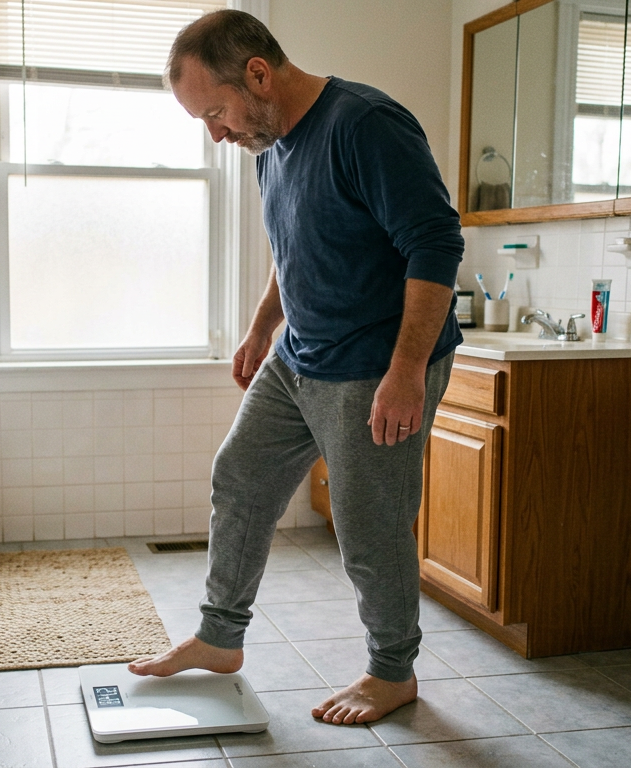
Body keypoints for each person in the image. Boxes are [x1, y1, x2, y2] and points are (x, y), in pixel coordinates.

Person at [128, 9, 464, 725]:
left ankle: (392, 672)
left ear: (257, 73)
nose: (216, 134)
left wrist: (405, 373)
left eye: (215, 113)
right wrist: (261, 325)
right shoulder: (268, 145)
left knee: (369, 525)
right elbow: (294, 247)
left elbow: (435, 245)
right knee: (241, 476)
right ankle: (220, 639)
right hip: (300, 353)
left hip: (376, 363)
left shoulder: (366, 124)